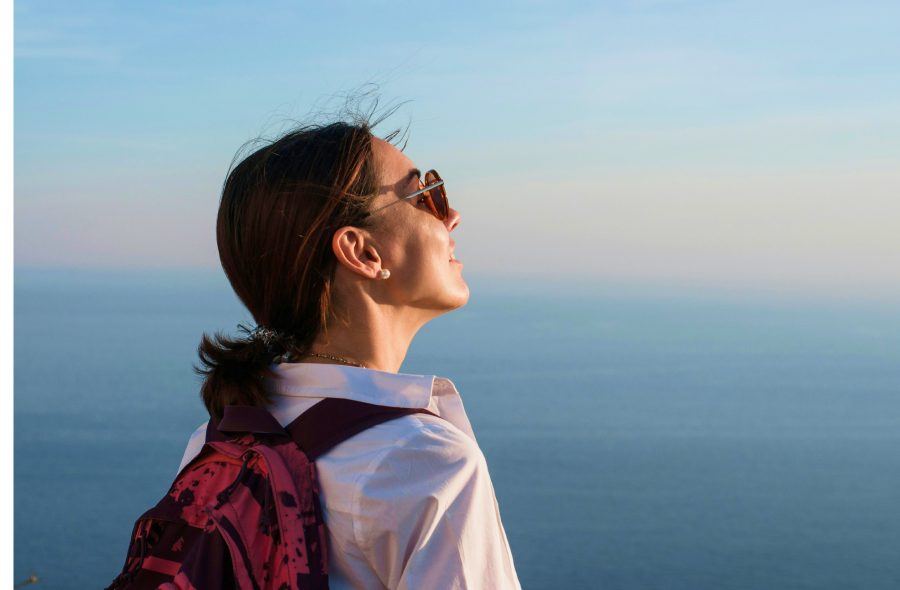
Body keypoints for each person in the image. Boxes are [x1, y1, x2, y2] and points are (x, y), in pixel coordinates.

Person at [176, 112, 522, 589]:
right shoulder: (424, 463)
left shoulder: (216, 442)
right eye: (428, 196)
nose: (452, 215)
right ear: (363, 253)